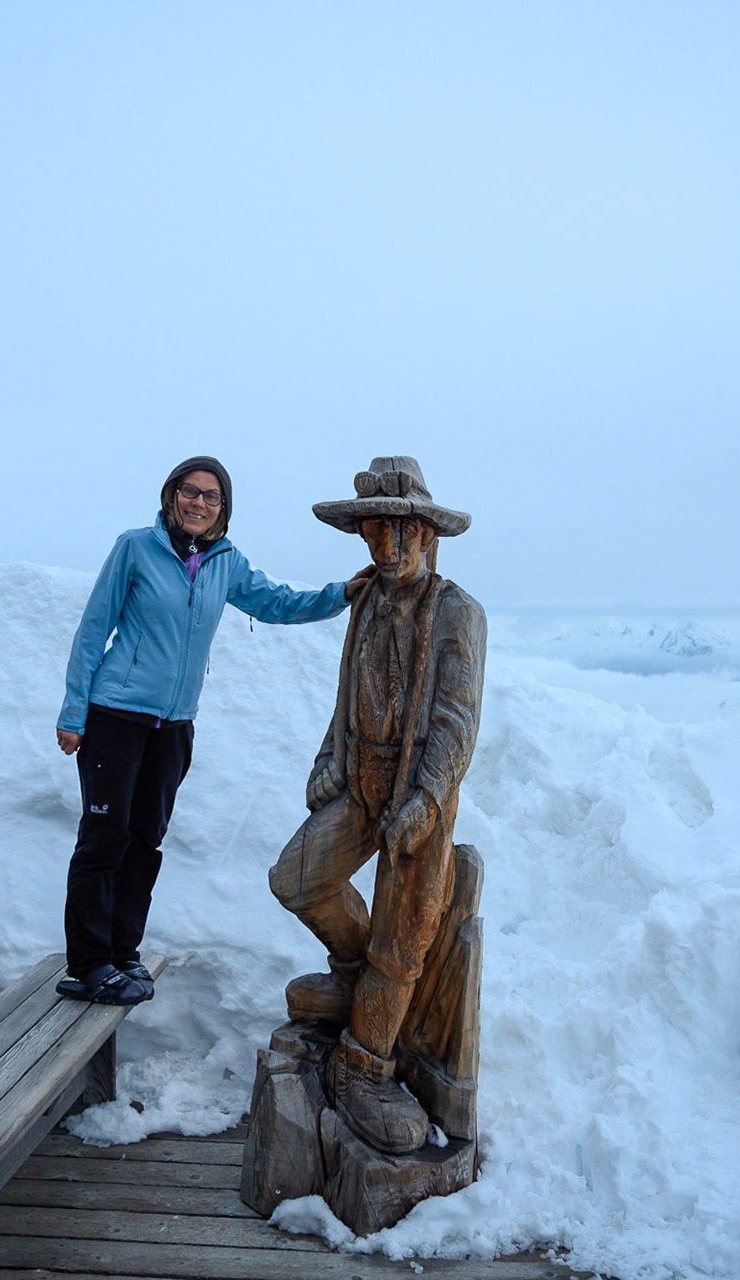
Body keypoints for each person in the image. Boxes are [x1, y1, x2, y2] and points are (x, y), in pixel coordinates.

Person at [56, 456, 373, 1005]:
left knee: (145, 841)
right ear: (171, 495)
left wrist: (339, 594)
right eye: (189, 492)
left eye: (211, 496)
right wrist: (73, 713)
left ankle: (123, 953)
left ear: (223, 508)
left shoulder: (225, 562)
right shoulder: (135, 547)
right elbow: (93, 629)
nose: (198, 503)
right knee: (104, 838)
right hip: (115, 716)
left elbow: (275, 602)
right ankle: (88, 963)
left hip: (174, 726)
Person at [270, 455, 486, 1154]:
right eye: (374, 532)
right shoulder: (365, 600)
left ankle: (368, 1062)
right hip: (360, 780)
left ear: (427, 534)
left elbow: (457, 720)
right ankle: (354, 979)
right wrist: (330, 758)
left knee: (406, 936)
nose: (387, 548)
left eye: (401, 533)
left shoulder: (457, 611)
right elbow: (346, 692)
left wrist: (425, 798)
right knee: (297, 880)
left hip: (418, 794)